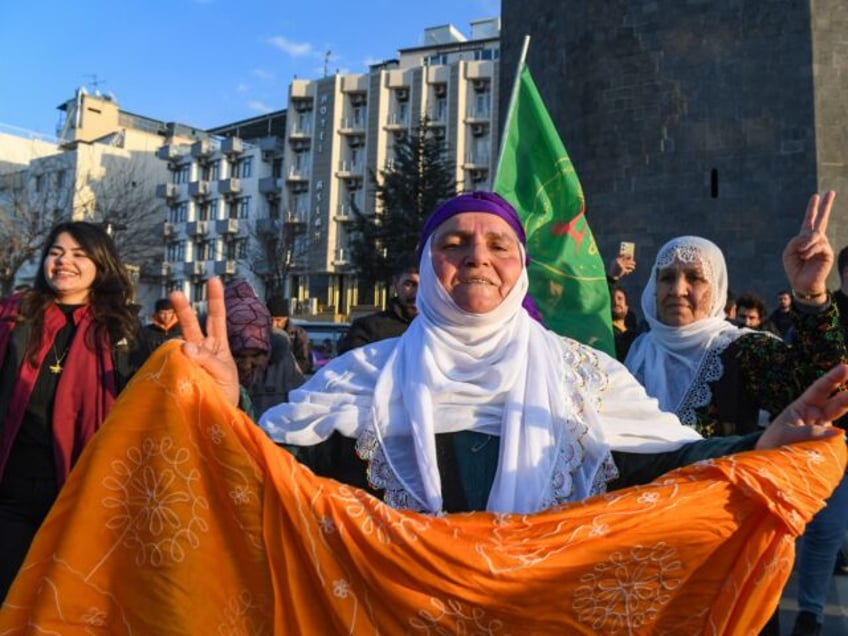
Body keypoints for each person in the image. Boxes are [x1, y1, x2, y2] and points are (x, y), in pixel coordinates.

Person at [1, 193, 846, 634]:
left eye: (495, 244)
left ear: (519, 267)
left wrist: (763, 444)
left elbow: (664, 470)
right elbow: (262, 487)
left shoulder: (586, 377)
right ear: (425, 265)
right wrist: (224, 415)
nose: (474, 257)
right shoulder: (360, 379)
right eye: (452, 243)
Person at [0, 221, 150, 603]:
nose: (64, 261)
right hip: (10, 491)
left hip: (82, 496)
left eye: (79, 255)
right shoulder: (14, 317)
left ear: (101, 264)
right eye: (56, 252)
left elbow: (155, 409)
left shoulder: (124, 332)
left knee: (63, 603)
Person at [625, 192, 846, 439]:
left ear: (717, 289)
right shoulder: (628, 352)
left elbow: (827, 393)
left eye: (695, 278)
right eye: (667, 278)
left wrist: (811, 296)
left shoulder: (741, 351)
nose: (677, 290)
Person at [337, 260, 419, 354]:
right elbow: (349, 364)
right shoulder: (367, 329)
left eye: (424, 285)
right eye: (409, 284)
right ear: (396, 283)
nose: (417, 293)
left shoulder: (437, 330)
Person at [266, 297, 312, 374]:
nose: (274, 324)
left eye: (278, 320)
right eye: (270, 320)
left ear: (286, 318)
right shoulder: (261, 332)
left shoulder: (299, 334)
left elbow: (304, 363)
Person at [610, 284, 641, 362]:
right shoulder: (605, 330)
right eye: (612, 299)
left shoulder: (637, 333)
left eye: (620, 299)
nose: (616, 302)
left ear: (627, 307)